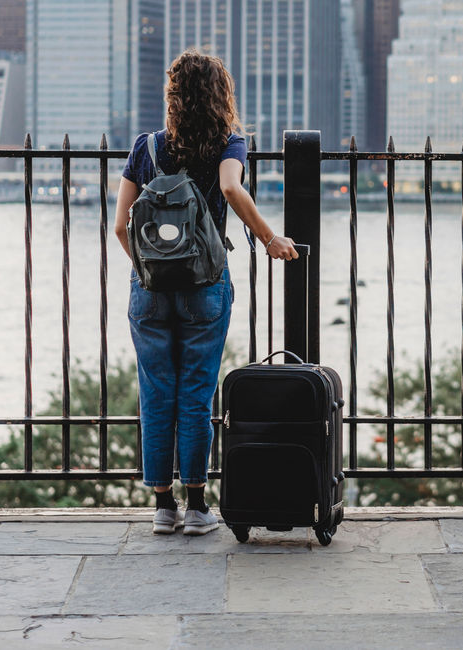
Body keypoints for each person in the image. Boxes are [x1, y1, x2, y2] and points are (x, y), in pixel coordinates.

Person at [115, 49, 298, 535]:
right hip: (205, 287)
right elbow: (232, 190)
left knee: (156, 393)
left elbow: (118, 227)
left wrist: (150, 271)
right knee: (195, 393)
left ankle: (161, 506)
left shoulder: (146, 147)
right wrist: (270, 238)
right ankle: (197, 507)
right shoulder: (228, 142)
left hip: (149, 291)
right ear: (221, 95)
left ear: (173, 94)